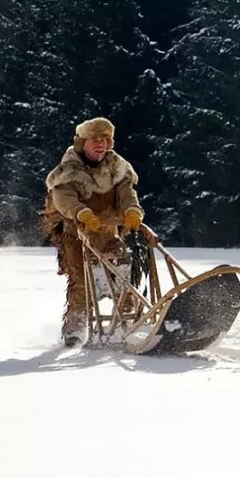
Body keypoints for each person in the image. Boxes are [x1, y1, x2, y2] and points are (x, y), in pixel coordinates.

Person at [40, 117, 145, 346]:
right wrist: (81, 213)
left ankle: (129, 320)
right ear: (82, 143)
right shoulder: (69, 169)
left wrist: (132, 211)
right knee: (81, 278)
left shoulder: (117, 166)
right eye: (95, 140)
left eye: (106, 139)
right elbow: (62, 197)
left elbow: (127, 193)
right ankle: (75, 329)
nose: (101, 144)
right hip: (75, 231)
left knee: (122, 268)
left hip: (106, 230)